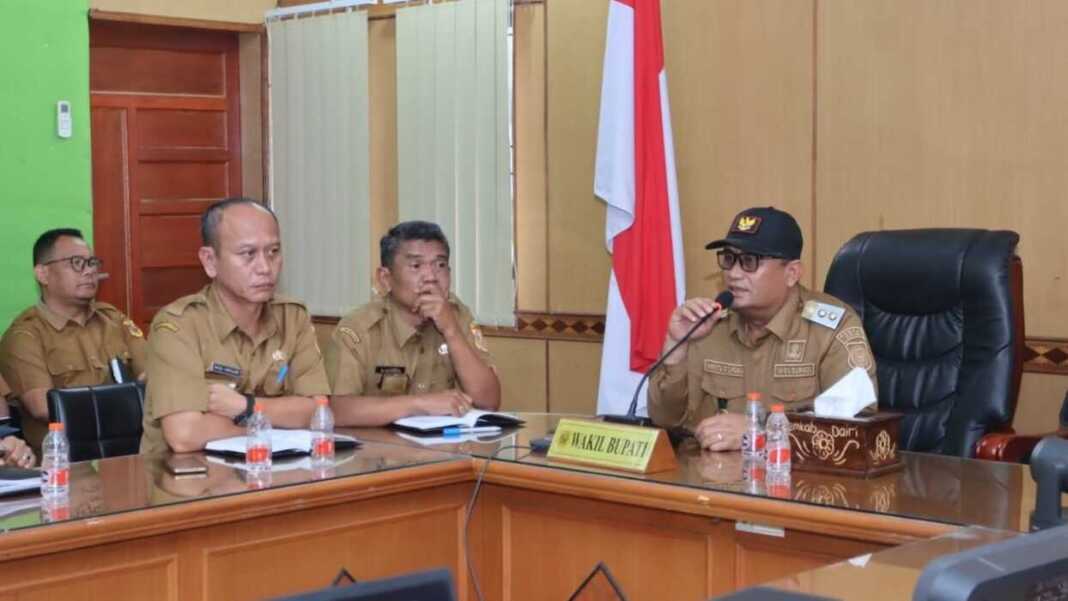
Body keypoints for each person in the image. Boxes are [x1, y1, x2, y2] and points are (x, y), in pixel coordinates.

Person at [648, 207, 876, 452]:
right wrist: (676, 347)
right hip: (712, 479)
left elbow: (857, 425)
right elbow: (666, 419)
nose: (733, 274)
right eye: (728, 259)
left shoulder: (831, 327)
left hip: (799, 481)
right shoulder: (709, 326)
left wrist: (762, 431)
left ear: (791, 273)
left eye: (749, 261)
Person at [140, 198, 330, 455]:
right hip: (191, 482)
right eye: (248, 254)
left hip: (275, 473)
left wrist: (246, 407)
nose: (265, 268)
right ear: (210, 261)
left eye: (273, 252)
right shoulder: (178, 325)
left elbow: (317, 410)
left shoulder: (292, 317)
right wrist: (276, 424)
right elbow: (184, 435)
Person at [325, 221, 501, 426]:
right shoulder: (357, 329)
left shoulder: (457, 315)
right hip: (379, 453)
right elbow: (336, 411)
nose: (431, 277)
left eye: (440, 265)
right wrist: (419, 404)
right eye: (416, 266)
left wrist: (451, 330)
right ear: (385, 278)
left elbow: (489, 402)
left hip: (445, 450)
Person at [0, 228, 146, 452]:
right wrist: (129, 400)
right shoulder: (25, 335)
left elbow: (155, 376)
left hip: (133, 448)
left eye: (92, 263)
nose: (89, 272)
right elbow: (44, 407)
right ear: (43, 274)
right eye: (76, 263)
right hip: (68, 461)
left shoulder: (114, 320)